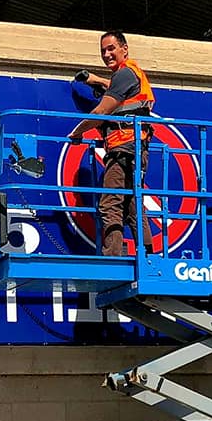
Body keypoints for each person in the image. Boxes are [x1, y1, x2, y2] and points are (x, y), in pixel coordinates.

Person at [68, 30, 155, 257]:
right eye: (103, 51)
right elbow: (119, 89)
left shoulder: (124, 74)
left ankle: (112, 259)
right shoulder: (130, 73)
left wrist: (77, 132)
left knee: (110, 204)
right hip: (135, 149)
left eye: (111, 49)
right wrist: (95, 80)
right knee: (133, 205)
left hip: (124, 149)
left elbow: (101, 111)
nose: (106, 54)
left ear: (124, 49)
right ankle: (150, 258)